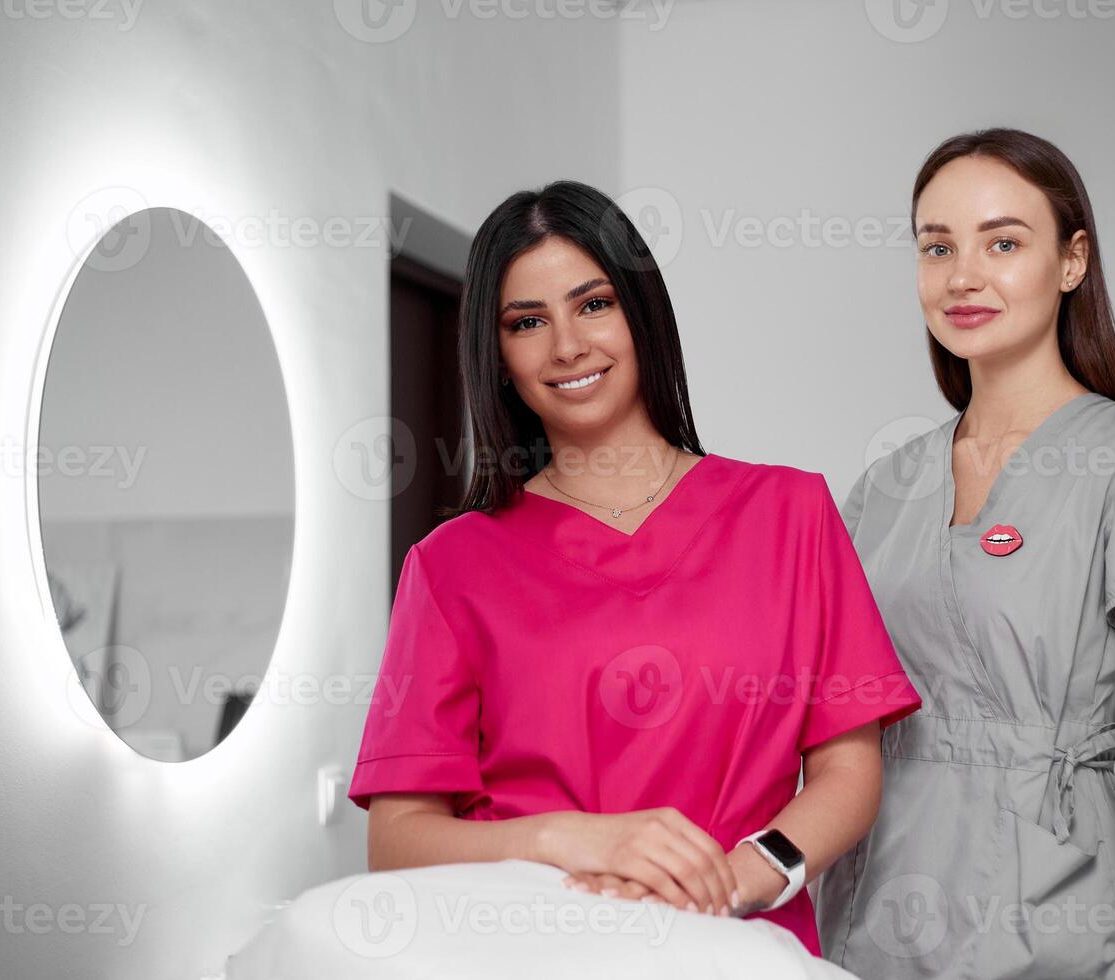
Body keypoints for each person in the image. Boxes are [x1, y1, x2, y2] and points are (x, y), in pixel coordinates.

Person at [346, 180, 922, 958]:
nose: (567, 347)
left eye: (593, 304)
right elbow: (398, 841)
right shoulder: (451, 567)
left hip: (739, 949)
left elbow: (848, 773)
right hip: (525, 955)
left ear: (641, 315)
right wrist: (573, 842)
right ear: (498, 354)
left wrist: (739, 878)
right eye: (526, 322)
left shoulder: (790, 514)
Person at [815, 129, 1115, 979]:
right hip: (883, 904)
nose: (963, 276)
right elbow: (828, 722)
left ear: (1073, 262)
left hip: (1054, 909)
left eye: (1003, 242)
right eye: (937, 247)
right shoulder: (885, 487)